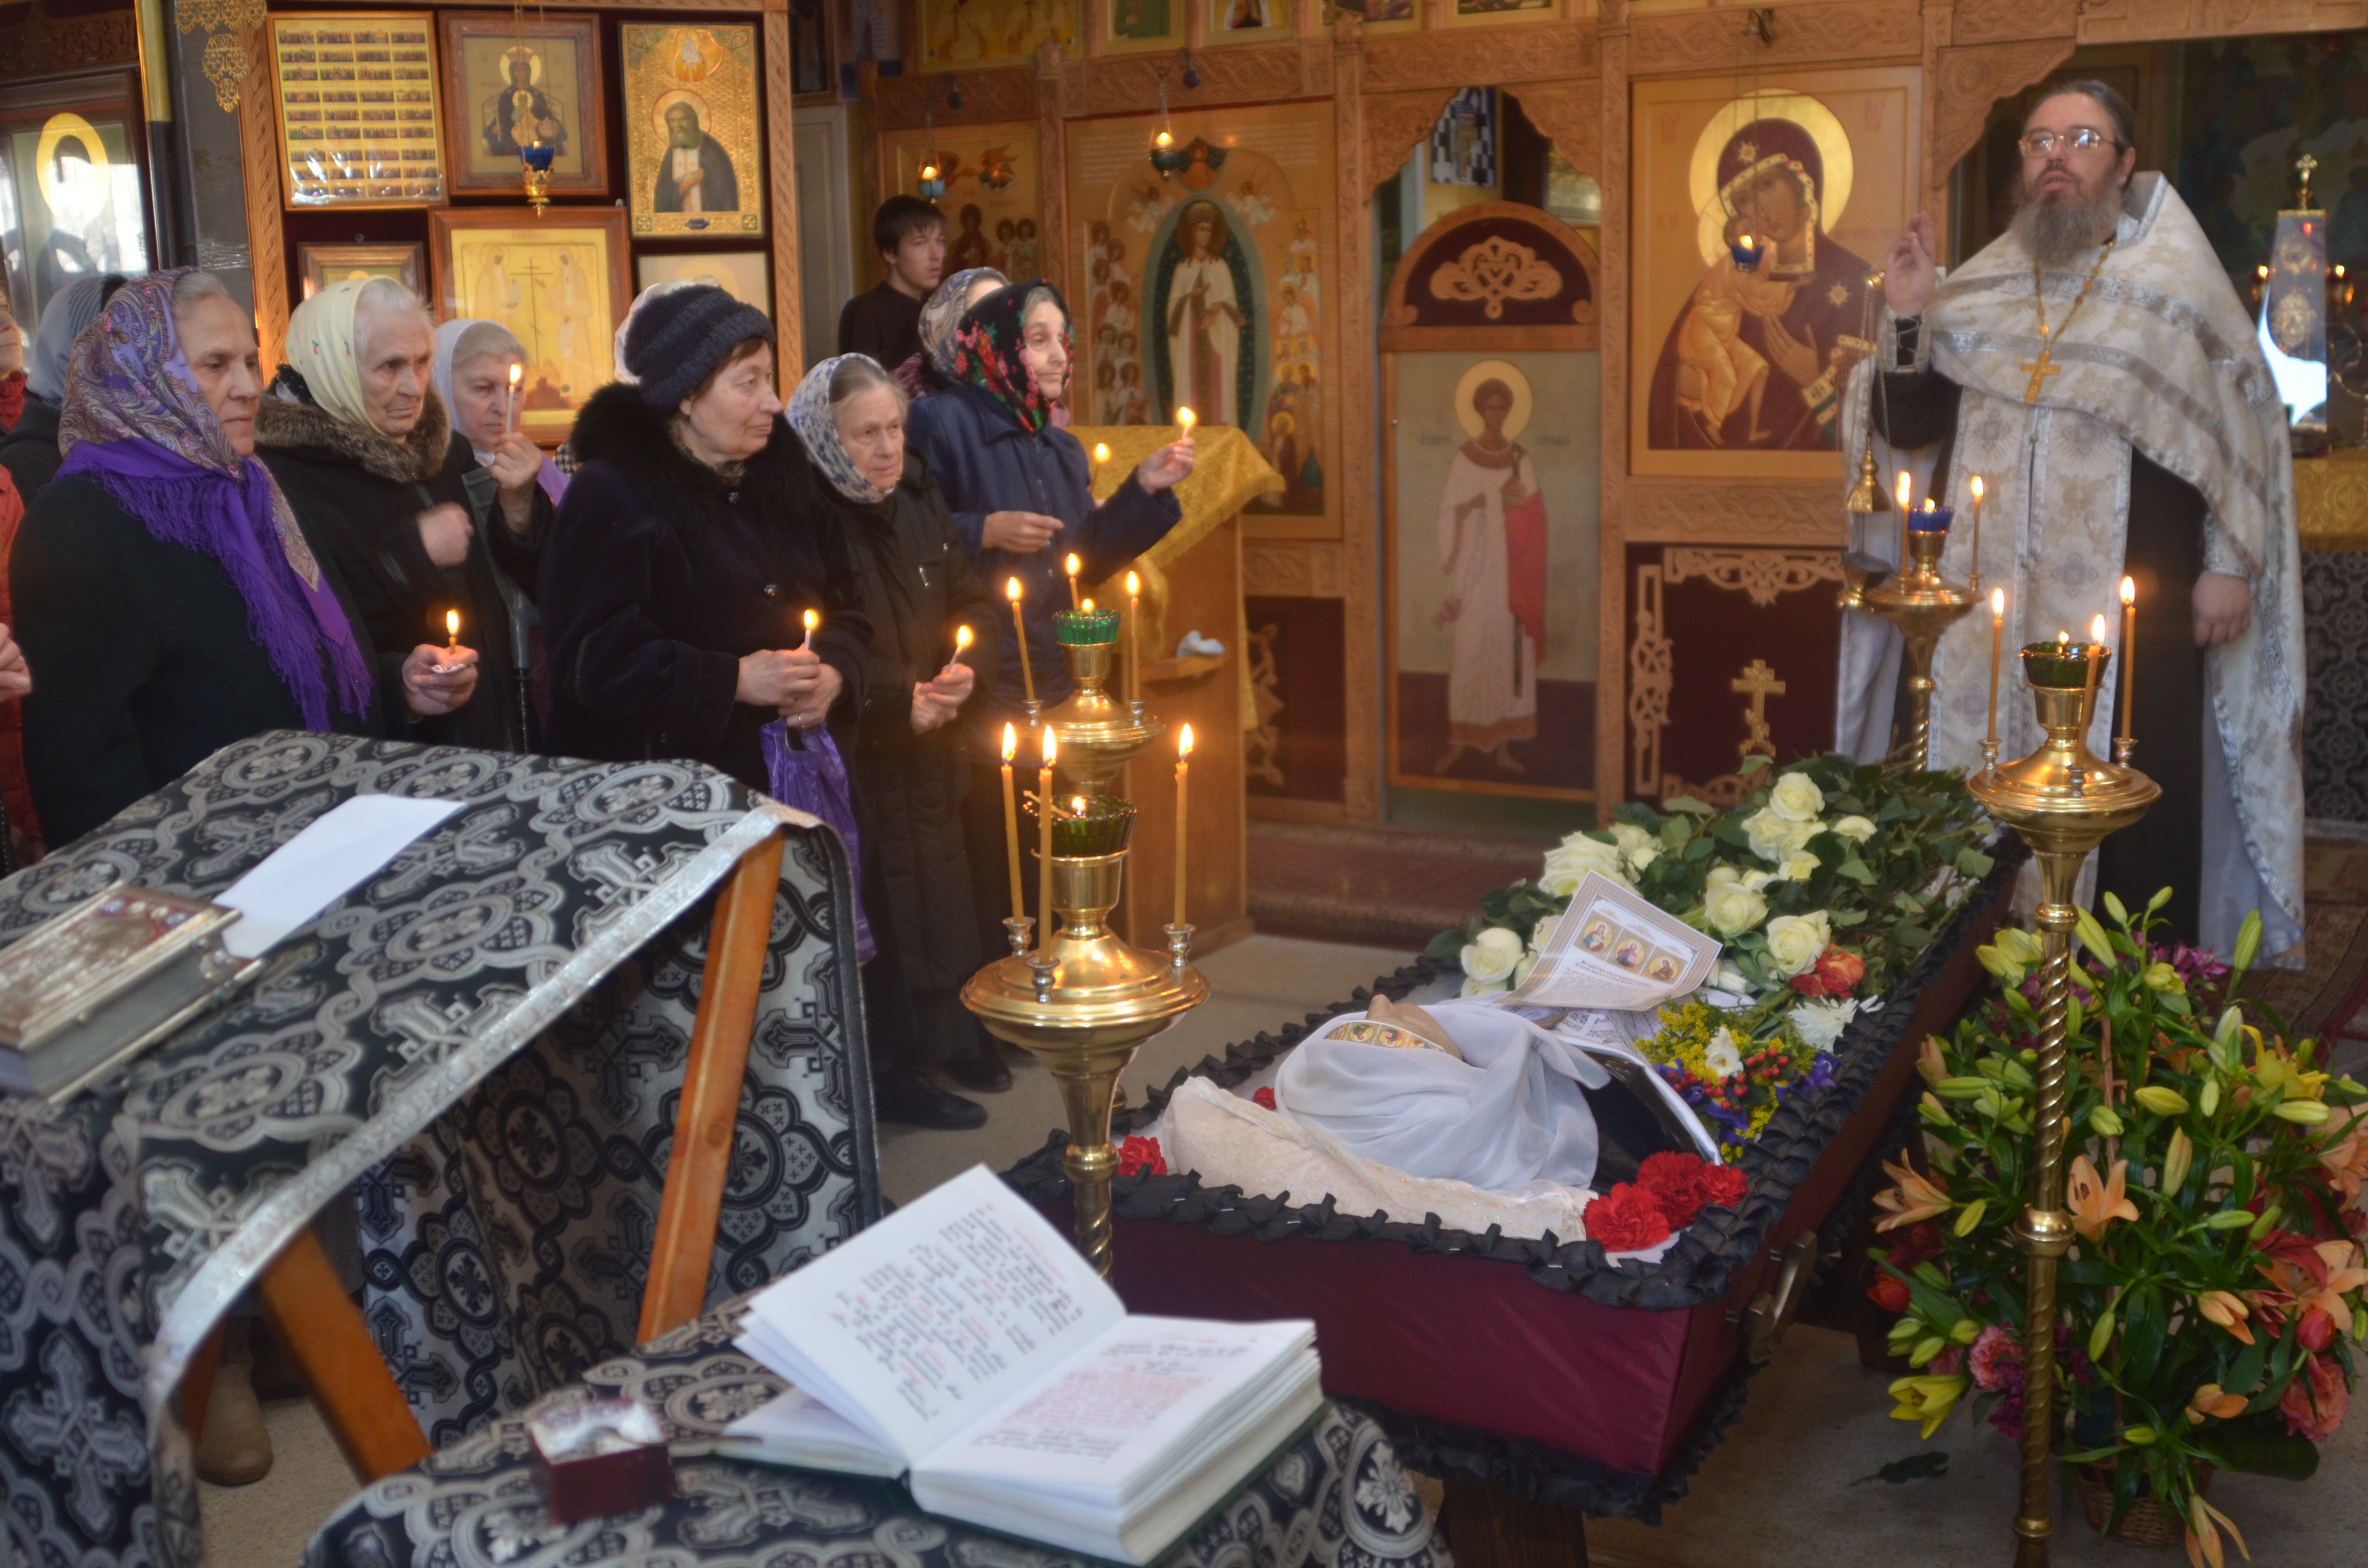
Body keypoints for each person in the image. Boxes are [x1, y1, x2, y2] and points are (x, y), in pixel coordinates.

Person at [1850, 80, 2304, 961]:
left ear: (2125, 165)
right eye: (2036, 140)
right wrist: (1906, 316)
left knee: (2130, 791)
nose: (2052, 155)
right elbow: (1905, 429)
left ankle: (2118, 1007)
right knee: (1969, 781)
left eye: (2081, 137)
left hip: (2133, 597)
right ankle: (1967, 991)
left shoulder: (2175, 294)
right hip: (1983, 608)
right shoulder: (1975, 292)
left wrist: (2227, 562)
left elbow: (2235, 438)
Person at [11, 269, 476, 847]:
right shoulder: (81, 524)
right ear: (143, 378)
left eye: (251, 362)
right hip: (206, 876)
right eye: (215, 365)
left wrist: (398, 684)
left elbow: (297, 664)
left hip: (329, 839)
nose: (247, 386)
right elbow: (83, 772)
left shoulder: (256, 487)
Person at [908, 279, 1194, 1089]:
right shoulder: (944, 423)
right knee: (984, 848)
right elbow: (903, 524)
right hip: (981, 671)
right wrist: (981, 529)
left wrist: (1143, 491)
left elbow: (1086, 562)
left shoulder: (1059, 448)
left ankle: (1031, 998)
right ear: (992, 348)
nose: (1059, 354)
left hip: (1055, 666)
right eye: (1037, 339)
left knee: (1041, 848)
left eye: (1061, 338)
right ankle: (975, 1024)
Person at [541, 282, 868, 789]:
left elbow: (849, 604)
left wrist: (835, 674)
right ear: (687, 395)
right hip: (667, 796)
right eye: (748, 384)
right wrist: (730, 681)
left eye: (769, 379)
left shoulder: (786, 480)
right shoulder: (611, 494)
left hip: (798, 776)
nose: (773, 403)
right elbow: (592, 658)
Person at [788, 353, 1000, 1128]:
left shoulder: (916, 490)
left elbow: (968, 598)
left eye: (895, 429)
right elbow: (814, 639)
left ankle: (950, 1037)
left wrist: (965, 670)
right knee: (887, 894)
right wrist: (889, 699)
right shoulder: (808, 510)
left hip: (932, 723)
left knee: (940, 880)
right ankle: (895, 1068)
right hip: (860, 742)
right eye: (864, 434)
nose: (886, 449)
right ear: (822, 435)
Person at [257, 277, 534, 753]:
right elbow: (299, 633)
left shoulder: (445, 450)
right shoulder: (278, 477)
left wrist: (521, 507)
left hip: (484, 724)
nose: (414, 387)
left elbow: (511, 580)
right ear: (336, 366)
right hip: (387, 749)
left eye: (422, 362)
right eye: (390, 367)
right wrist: (411, 555)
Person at [1646, 117, 1876, 451]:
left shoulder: (1855, 282)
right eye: (1744, 200)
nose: (1762, 211)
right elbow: (1666, 409)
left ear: (1803, 182)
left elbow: (1881, 426)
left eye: (1767, 185)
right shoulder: (1736, 279)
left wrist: (1815, 380)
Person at [432, 317, 565, 742]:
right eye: (481, 389)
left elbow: (564, 571)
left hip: (544, 666)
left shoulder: (540, 466)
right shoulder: (426, 472)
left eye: (514, 389)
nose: (503, 405)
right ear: (439, 386)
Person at [1434, 377, 1548, 777]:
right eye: (1490, 407)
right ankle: (1458, 743)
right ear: (1480, 411)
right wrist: (1476, 505)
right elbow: (1449, 510)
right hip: (1475, 567)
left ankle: (1503, 750)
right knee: (1470, 649)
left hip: (1511, 571)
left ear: (1509, 412)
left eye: (1502, 408)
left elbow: (1536, 516)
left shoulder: (1521, 459)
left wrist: (1519, 509)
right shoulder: (1464, 458)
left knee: (1506, 649)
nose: (1496, 414)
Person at [1, 272, 128, 500]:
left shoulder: (132, 432)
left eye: (5, 308)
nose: (9, 324)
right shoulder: (26, 460)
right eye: (114, 340)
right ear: (70, 347)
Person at [1161, 201, 1245, 426]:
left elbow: (1231, 307)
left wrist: (1217, 308)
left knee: (1218, 392)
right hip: (1190, 344)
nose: (1205, 235)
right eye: (1201, 230)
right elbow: (1173, 311)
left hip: (1216, 342)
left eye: (1209, 230)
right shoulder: (1183, 269)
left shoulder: (1220, 267)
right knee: (1191, 392)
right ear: (1192, 232)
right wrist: (1191, 297)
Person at [838, 195, 944, 368]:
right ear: (890, 253)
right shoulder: (865, 311)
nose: (936, 255)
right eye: (920, 244)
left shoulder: (940, 307)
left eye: (939, 241)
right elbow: (861, 388)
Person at [893, 264, 1005, 400]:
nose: (1000, 328)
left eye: (1006, 314)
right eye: (986, 317)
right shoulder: (911, 400)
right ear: (949, 328)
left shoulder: (1024, 390)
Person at [653, 99, 741, 213]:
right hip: (679, 226)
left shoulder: (711, 149)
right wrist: (682, 189)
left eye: (683, 119)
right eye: (673, 121)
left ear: (693, 121)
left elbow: (725, 191)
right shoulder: (671, 153)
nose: (678, 125)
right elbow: (661, 198)